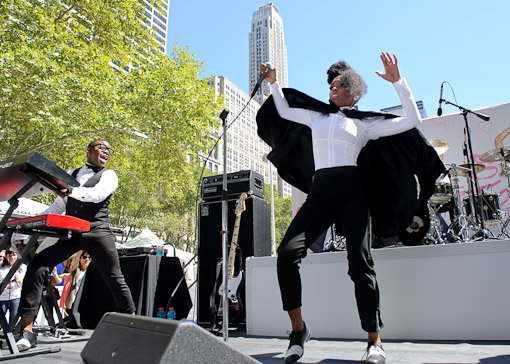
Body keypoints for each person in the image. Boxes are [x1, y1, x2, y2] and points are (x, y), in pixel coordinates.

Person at [259, 52, 424, 364]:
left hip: (352, 193)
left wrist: (398, 83)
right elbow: (283, 108)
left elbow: (412, 120)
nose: (331, 90)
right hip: (321, 192)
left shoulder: (366, 124)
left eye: (338, 86)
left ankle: (374, 341)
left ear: (354, 91)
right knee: (286, 254)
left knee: (360, 263)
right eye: (331, 86)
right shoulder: (316, 116)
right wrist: (274, 83)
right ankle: (298, 331)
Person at [16, 140, 136, 351]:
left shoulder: (109, 175)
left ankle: (133, 325)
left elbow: (96, 195)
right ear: (89, 150)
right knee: (38, 266)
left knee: (114, 277)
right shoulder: (73, 173)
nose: (107, 152)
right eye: (103, 148)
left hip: (97, 231)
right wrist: (31, 221)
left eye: (110, 150)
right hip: (72, 232)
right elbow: (58, 206)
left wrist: (69, 190)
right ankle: (27, 330)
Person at [0, 249, 26, 330]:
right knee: (1, 319)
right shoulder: (2, 268)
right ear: (6, 257)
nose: (12, 258)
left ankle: (12, 337)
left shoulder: (23, 267)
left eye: (14, 255)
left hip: (16, 296)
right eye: (10, 256)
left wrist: (19, 281)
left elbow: (26, 281)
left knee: (14, 320)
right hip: (2, 297)